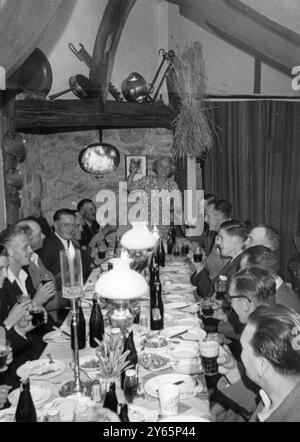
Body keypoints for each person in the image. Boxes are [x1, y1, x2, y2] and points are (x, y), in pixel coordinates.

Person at [218, 305, 300, 422]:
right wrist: (232, 370)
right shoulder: (280, 394)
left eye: (243, 348)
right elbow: (257, 409)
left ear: (262, 365)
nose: (241, 354)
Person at [192, 220, 247, 299]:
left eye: (221, 238)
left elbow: (210, 294)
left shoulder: (240, 266)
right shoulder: (233, 260)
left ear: (235, 240)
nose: (217, 242)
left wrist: (199, 267)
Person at [127, 155, 179, 238]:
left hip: (163, 228)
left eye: (167, 167)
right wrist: (133, 171)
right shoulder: (146, 180)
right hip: (144, 225)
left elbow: (175, 206)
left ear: (170, 169)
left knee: (160, 249)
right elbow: (128, 187)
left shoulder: (173, 186)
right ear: (156, 167)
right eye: (161, 165)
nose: (163, 169)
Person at [240, 245, 300, 314]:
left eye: (243, 271)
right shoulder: (272, 292)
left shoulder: (277, 305)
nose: (240, 275)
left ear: (259, 273)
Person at [38, 208, 92, 282]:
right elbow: (43, 280)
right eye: (66, 225)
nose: (70, 229)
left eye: (73, 225)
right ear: (56, 225)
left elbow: (83, 269)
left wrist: (95, 262)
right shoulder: (48, 247)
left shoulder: (71, 243)